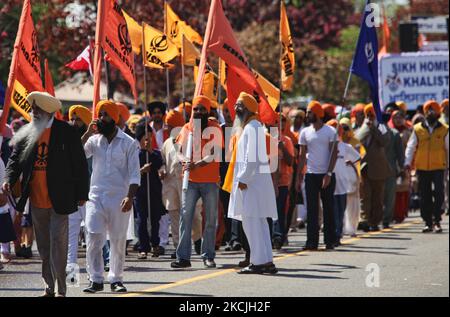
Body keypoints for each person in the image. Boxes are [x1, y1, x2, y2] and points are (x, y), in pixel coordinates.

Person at [3, 92, 89, 297]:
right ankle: (48, 287)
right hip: (36, 198)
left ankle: (61, 288)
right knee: (43, 247)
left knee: (58, 244)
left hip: (61, 197)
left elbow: (79, 164)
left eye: (37, 110)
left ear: (48, 111)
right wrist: (8, 179)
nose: (33, 113)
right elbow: (15, 159)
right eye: (32, 110)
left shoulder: (66, 131)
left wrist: (81, 193)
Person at [81, 100, 141, 293]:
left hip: (119, 198)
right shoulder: (93, 140)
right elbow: (77, 154)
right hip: (95, 196)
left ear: (114, 118)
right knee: (93, 237)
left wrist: (130, 197)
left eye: (106, 114)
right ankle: (96, 279)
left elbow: (134, 173)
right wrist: (86, 134)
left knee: (117, 240)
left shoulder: (129, 143)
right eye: (100, 114)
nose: (101, 118)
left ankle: (116, 279)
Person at [227, 92, 278, 275]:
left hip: (250, 184)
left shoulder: (253, 127)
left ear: (248, 109)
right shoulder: (252, 127)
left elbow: (252, 159)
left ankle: (258, 262)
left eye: (239, 105)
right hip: (253, 184)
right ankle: (266, 261)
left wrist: (242, 179)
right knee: (258, 224)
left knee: (252, 224)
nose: (235, 108)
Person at [171, 96, 223, 269]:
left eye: (202, 109)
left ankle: (208, 255)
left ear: (208, 111)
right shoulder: (187, 128)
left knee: (210, 220)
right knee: (185, 218)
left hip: (210, 181)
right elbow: (177, 151)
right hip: (190, 181)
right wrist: (184, 161)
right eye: (196, 109)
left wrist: (197, 164)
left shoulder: (215, 128)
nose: (198, 112)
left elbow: (215, 153)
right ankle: (183, 257)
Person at [296, 101, 338, 250]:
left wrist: (329, 173)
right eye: (307, 112)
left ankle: (330, 240)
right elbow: (301, 156)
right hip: (311, 175)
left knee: (328, 208)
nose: (307, 115)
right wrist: (299, 176)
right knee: (312, 209)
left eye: (310, 112)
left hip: (326, 175)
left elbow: (334, 153)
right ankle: (311, 242)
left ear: (318, 113)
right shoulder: (304, 132)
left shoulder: (330, 131)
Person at [405, 100, 449, 233]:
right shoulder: (417, 129)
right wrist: (407, 162)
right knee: (425, 195)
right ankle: (428, 222)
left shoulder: (445, 129)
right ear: (425, 113)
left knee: (439, 193)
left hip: (439, 167)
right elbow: (411, 146)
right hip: (422, 167)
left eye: (433, 110)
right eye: (428, 111)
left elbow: (448, 148)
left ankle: (437, 220)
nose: (430, 113)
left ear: (437, 113)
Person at [356, 104, 392, 232]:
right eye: (368, 114)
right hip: (365, 167)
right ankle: (364, 220)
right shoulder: (363, 127)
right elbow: (356, 140)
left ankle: (375, 221)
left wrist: (374, 129)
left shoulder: (382, 127)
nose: (370, 117)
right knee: (365, 195)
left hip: (379, 167)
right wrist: (367, 127)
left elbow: (385, 141)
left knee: (378, 197)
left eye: (372, 114)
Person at [66, 105, 93, 273]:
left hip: (90, 193)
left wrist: (88, 134)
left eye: (78, 120)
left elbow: (81, 151)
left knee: (91, 232)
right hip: (72, 192)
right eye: (73, 119)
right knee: (72, 232)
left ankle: (93, 269)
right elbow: (71, 152)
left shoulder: (94, 139)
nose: (75, 123)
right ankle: (71, 268)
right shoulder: (67, 137)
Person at [133, 123, 166, 259]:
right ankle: (143, 247)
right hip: (140, 192)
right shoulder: (135, 154)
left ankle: (155, 244)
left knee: (154, 220)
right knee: (142, 220)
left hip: (154, 191)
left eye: (149, 138)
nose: (147, 141)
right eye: (144, 139)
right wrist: (141, 171)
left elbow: (161, 165)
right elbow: (130, 172)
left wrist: (161, 171)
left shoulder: (156, 154)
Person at [326, 120, 360, 245]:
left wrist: (348, 161)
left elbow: (357, 157)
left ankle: (338, 234)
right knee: (332, 210)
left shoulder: (346, 146)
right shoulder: (326, 145)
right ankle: (332, 234)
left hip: (342, 184)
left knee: (341, 210)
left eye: (337, 128)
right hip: (330, 181)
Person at [340, 118, 362, 237]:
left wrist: (350, 162)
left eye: (346, 128)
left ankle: (352, 228)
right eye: (341, 128)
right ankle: (341, 228)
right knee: (340, 204)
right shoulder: (334, 143)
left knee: (353, 205)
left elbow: (358, 157)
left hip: (351, 175)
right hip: (339, 176)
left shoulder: (354, 142)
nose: (343, 131)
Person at [382, 114, 405, 229]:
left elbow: (400, 154)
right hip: (382, 169)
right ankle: (383, 219)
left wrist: (401, 168)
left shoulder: (394, 134)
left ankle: (384, 219)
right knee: (387, 196)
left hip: (389, 169)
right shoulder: (393, 133)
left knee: (387, 196)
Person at [390, 111, 412, 224]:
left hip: (404, 164)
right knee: (391, 190)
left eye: (400, 117)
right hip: (391, 164)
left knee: (402, 190)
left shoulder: (407, 132)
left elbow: (411, 149)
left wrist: (407, 164)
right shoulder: (389, 131)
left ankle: (400, 214)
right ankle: (391, 214)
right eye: (395, 117)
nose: (398, 120)